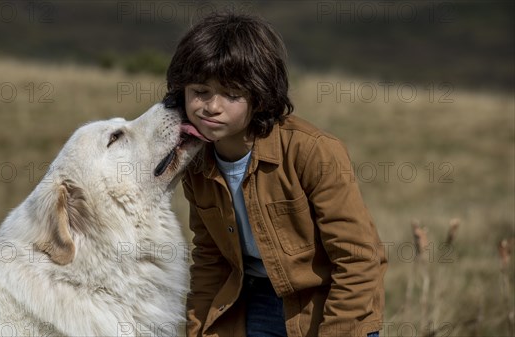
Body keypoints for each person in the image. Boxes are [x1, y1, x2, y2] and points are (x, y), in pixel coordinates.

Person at [163, 12, 387, 337]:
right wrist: (198, 330)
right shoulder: (197, 163)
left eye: (232, 94)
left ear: (260, 97)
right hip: (252, 301)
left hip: (328, 302)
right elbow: (210, 259)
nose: (211, 106)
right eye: (200, 91)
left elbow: (359, 259)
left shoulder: (312, 151)